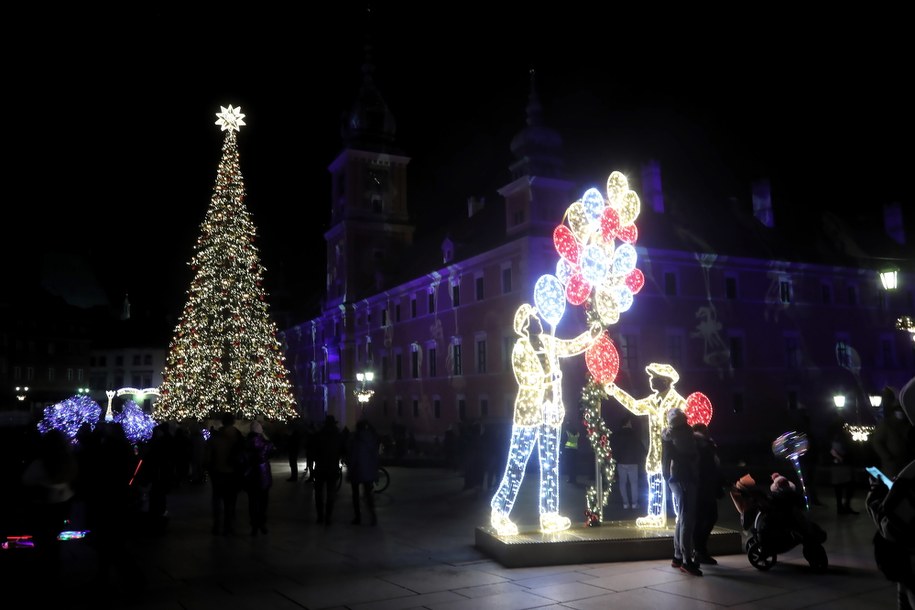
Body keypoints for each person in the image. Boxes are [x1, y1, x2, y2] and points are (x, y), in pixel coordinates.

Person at [490, 303, 601, 535]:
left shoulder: (550, 342)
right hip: (529, 414)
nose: (538, 318)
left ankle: (549, 514)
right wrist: (546, 379)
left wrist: (590, 337)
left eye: (537, 316)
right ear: (524, 325)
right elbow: (524, 378)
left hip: (551, 414)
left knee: (550, 465)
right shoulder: (520, 347)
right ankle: (500, 511)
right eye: (533, 317)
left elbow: (570, 346)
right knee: (516, 465)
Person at [604, 362, 688, 527]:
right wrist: (615, 392)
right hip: (656, 452)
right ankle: (656, 515)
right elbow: (635, 406)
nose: (651, 380)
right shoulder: (652, 400)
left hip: (674, 453)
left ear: (665, 381)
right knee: (655, 482)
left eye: (654, 378)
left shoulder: (678, 402)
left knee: (676, 486)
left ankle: (681, 516)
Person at [867, 375, 915, 610]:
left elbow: (892, 525)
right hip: (895, 471)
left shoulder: (910, 482)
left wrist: (875, 499)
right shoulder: (887, 426)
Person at [21, 428, 79, 579]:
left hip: (42, 507)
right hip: (61, 507)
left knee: (42, 541)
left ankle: (44, 572)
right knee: (53, 541)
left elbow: (26, 480)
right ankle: (54, 571)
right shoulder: (68, 462)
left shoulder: (40, 463)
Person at [662, 406, 702, 576]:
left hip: (675, 478)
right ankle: (687, 560)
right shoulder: (684, 435)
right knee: (687, 519)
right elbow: (692, 454)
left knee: (681, 517)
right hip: (685, 478)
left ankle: (678, 556)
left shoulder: (669, 435)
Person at [206, 412, 245, 535]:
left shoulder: (215, 437)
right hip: (233, 473)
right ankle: (229, 526)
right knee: (230, 501)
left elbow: (208, 456)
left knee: (217, 500)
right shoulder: (239, 436)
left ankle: (217, 525)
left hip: (218, 472)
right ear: (233, 421)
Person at [692, 422, 724, 565]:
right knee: (707, 518)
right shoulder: (705, 446)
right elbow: (711, 468)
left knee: (702, 519)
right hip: (705, 488)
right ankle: (700, 550)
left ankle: (699, 549)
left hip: (703, 488)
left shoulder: (702, 446)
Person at [872, 386, 914, 479]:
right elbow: (877, 441)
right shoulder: (886, 424)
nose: (900, 412)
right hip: (892, 464)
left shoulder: (908, 423)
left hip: (906, 461)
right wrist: (887, 456)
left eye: (902, 410)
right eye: (897, 410)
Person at [347, 418, 380, 525]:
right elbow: (375, 457)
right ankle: (373, 515)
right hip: (369, 471)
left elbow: (353, 457)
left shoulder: (356, 440)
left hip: (357, 471)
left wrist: (349, 470)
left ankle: (358, 517)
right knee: (368, 494)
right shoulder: (372, 439)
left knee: (355, 495)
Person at [244, 421, 274, 535]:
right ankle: (262, 523)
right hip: (263, 475)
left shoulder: (246, 442)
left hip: (250, 475)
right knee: (263, 501)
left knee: (252, 502)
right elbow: (273, 450)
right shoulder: (264, 443)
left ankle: (254, 524)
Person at [313, 414, 343, 525]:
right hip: (332, 467)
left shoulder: (319, 435)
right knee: (331, 493)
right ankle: (328, 516)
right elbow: (342, 450)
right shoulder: (337, 436)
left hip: (320, 467)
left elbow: (314, 450)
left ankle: (320, 516)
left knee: (319, 493)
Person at [827, 411, 859, 515]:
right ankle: (845, 506)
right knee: (848, 485)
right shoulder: (842, 435)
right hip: (844, 463)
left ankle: (840, 507)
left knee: (839, 487)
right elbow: (848, 447)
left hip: (837, 463)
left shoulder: (832, 434)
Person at [612, 415, 646, 510]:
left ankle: (625, 503)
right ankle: (634, 503)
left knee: (622, 483)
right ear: (627, 423)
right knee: (633, 483)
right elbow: (641, 448)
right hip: (633, 462)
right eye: (630, 422)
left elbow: (614, 448)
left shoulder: (617, 435)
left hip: (621, 462)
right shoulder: (634, 435)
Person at [286, 416, 305, 482]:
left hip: (293, 449)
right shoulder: (297, 432)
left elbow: (293, 440)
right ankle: (294, 476)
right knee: (293, 463)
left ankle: (294, 477)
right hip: (294, 448)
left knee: (293, 463)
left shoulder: (294, 433)